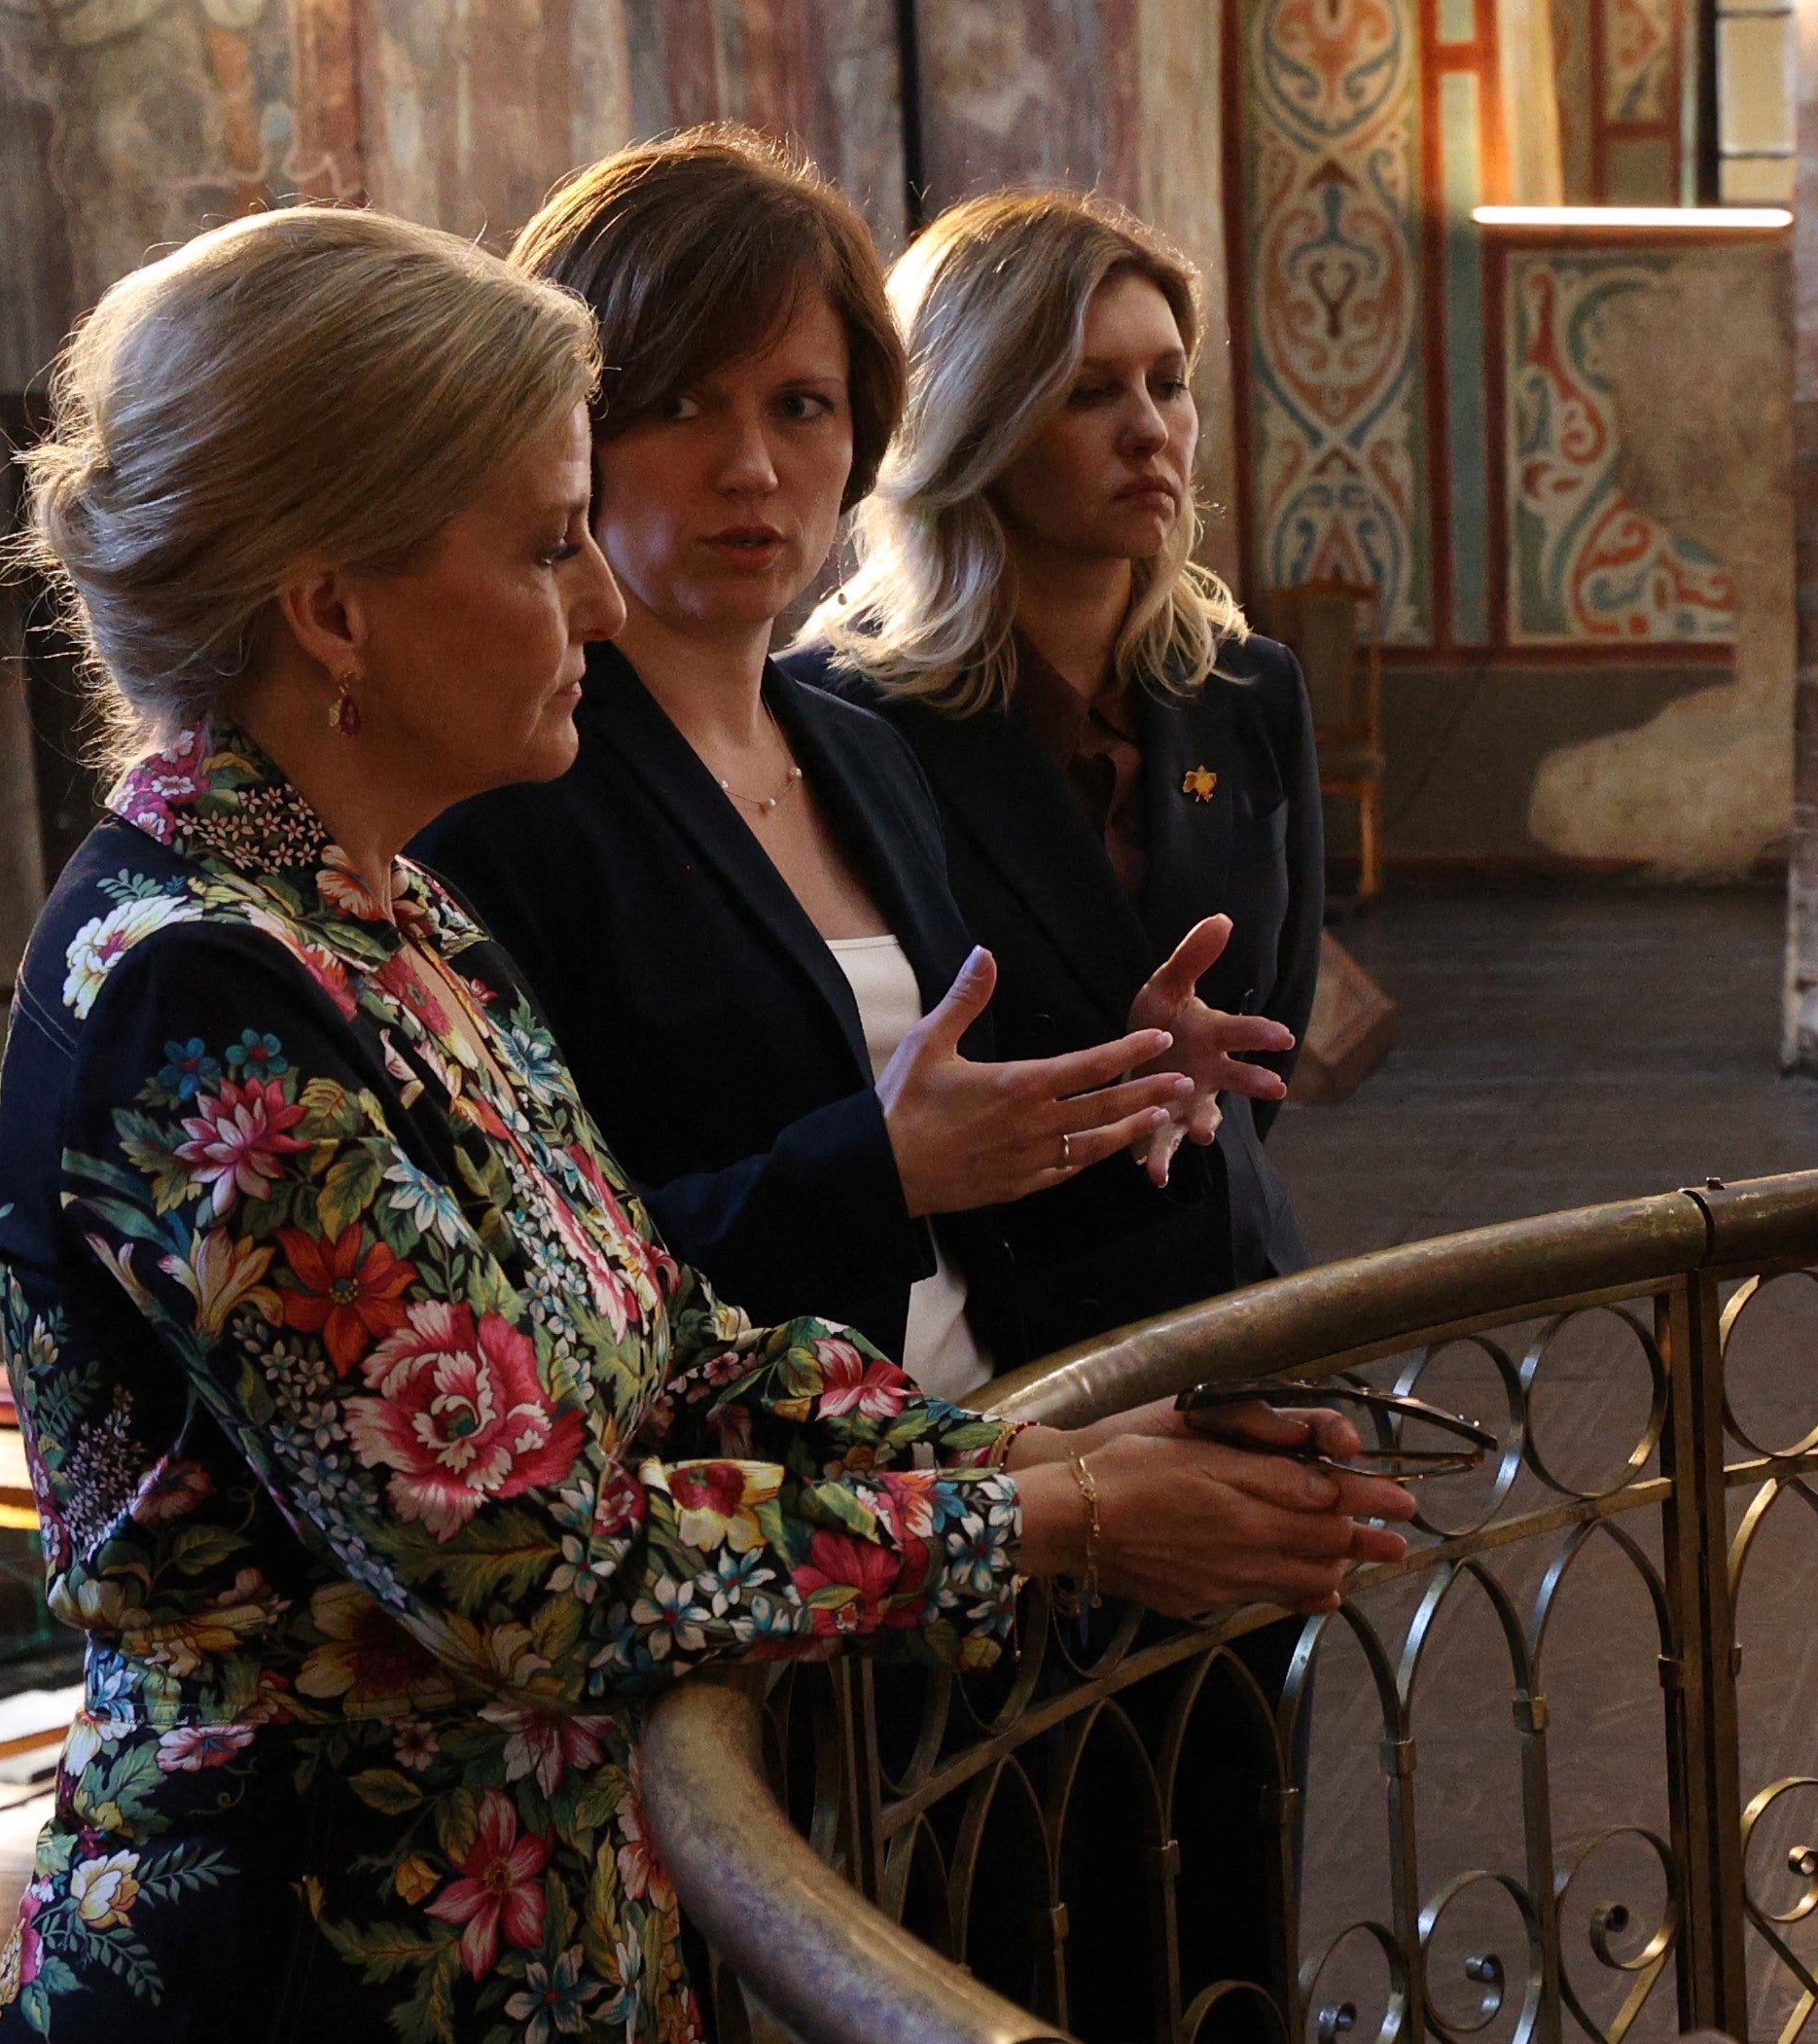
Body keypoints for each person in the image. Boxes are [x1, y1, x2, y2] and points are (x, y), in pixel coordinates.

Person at [0, 201, 1410, 2044]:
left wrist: (1021, 1435)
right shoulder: (196, 990)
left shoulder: (381, 917)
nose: (593, 595)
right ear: (330, 604)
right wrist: (1053, 1514)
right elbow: (531, 1554)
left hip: (518, 2025)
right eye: (535, 539)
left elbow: (660, 1344)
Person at [418, 129, 1264, 1394]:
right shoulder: (505, 794)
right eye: (682, 404)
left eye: (800, 406)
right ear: (567, 433)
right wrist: (876, 1172)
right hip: (760, 1511)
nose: (753, 467)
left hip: (988, 1439)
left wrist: (1115, 1093)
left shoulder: (856, 750)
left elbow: (958, 1190)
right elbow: (512, 1292)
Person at [797, 189, 1326, 1359]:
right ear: (970, 419)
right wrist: (1117, 1079)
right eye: (1090, 393)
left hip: (1238, 1290)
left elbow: (1273, 1014)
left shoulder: (1245, 687)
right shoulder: (836, 715)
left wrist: (1193, 1092)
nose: (1150, 431)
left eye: (1168, 382)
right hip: (1000, 1345)